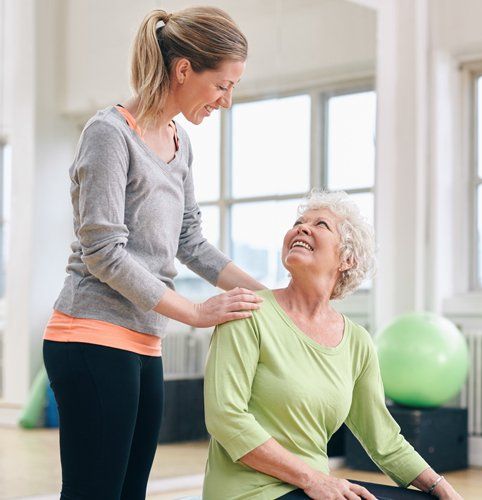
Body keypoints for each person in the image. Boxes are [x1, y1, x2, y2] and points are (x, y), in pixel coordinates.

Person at [42, 7, 264, 500]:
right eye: (222, 85)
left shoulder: (180, 143)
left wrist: (270, 296)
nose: (227, 101)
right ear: (184, 69)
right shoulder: (109, 134)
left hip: (144, 342)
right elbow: (103, 252)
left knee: (130, 493)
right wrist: (196, 312)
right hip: (90, 335)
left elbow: (190, 240)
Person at [204, 190, 464, 500]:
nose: (302, 228)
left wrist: (440, 487)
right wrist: (313, 479)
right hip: (251, 491)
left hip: (313, 488)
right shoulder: (247, 311)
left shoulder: (356, 341)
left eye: (321, 225)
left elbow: (384, 439)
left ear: (347, 258)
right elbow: (225, 417)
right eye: (299, 222)